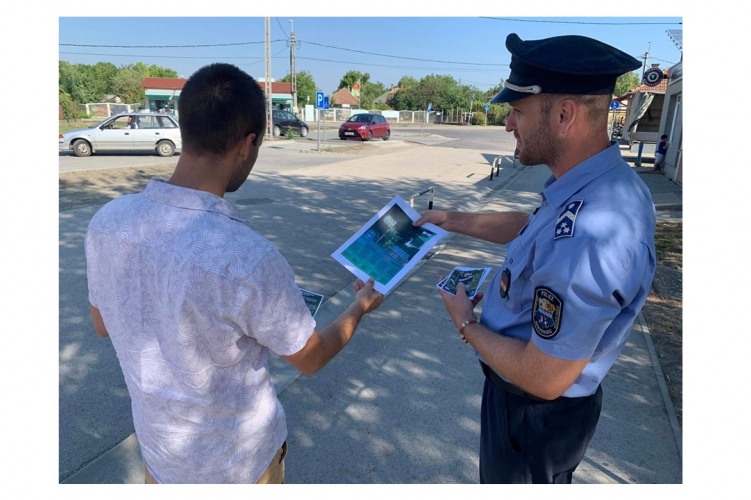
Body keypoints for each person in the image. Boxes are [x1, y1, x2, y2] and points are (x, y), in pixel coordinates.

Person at [84, 62, 384, 484]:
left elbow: (102, 324)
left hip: (161, 461)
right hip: (240, 468)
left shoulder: (108, 222)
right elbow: (310, 357)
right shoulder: (248, 258)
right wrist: (359, 307)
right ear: (247, 144)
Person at [414, 33, 656, 484]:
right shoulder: (596, 184)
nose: (509, 125)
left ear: (564, 115)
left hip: (533, 416)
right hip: (532, 408)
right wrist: (450, 220)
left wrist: (467, 324)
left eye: (518, 112)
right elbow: (534, 225)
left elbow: (544, 378)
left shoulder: (590, 232)